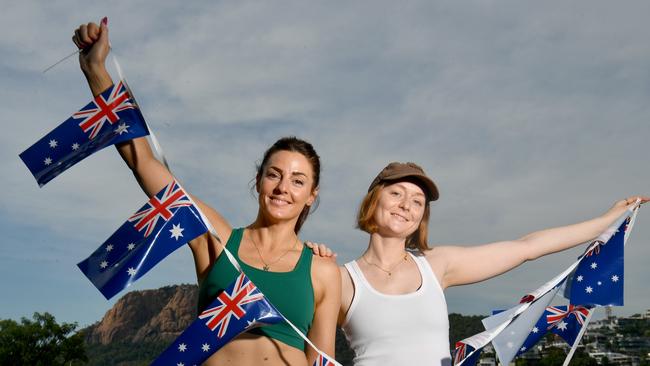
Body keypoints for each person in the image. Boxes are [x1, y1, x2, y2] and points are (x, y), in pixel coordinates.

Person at [72, 19, 340, 366]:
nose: (283, 188)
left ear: (311, 196)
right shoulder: (218, 238)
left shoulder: (321, 270)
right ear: (259, 180)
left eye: (298, 180)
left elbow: (323, 359)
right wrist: (95, 69)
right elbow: (143, 163)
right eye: (274, 174)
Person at [309, 161, 647, 366]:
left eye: (417, 201)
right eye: (396, 193)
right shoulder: (338, 278)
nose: (406, 205)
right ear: (374, 200)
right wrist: (307, 260)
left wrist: (606, 220)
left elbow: (526, 247)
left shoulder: (437, 264)